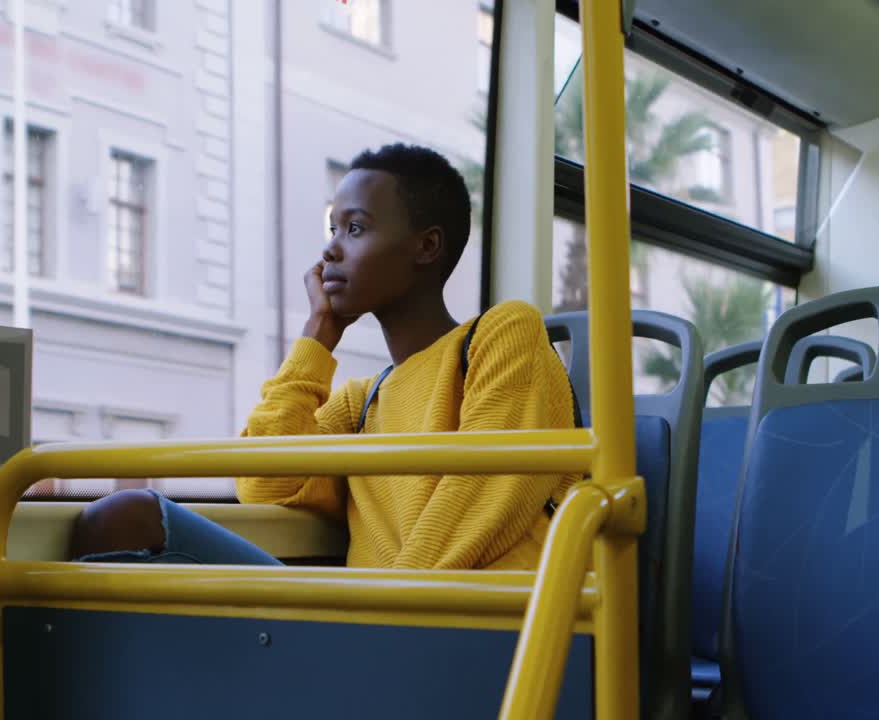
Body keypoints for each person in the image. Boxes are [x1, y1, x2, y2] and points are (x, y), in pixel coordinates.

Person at [70, 143, 579, 570]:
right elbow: (264, 485)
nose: (330, 251)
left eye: (354, 229)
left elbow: (479, 511)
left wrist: (369, 620)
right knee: (126, 518)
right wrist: (317, 337)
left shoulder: (503, 334)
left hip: (463, 632)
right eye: (332, 230)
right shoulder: (363, 403)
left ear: (426, 247)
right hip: (371, 623)